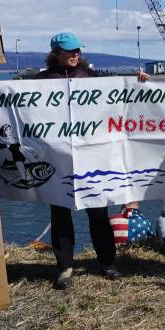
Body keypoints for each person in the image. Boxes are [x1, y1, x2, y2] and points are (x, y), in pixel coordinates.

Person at [35, 32, 120, 289]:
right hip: (58, 159)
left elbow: (122, 95)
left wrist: (141, 83)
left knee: (98, 211)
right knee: (60, 212)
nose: (75, 55)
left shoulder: (91, 77)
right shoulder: (40, 81)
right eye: (69, 51)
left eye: (77, 51)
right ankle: (64, 267)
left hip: (89, 157)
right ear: (55, 53)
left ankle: (107, 262)